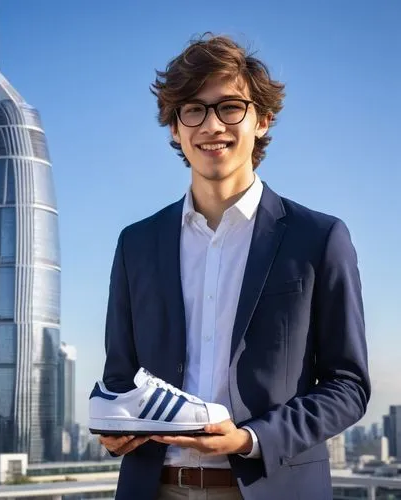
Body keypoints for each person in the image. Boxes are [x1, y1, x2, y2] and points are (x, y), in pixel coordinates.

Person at [99, 34, 370, 500]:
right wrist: (114, 426)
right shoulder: (136, 244)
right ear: (174, 128)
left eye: (230, 107)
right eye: (193, 109)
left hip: (274, 486)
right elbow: (121, 377)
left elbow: (348, 385)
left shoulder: (319, 238)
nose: (211, 125)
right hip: (154, 487)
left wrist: (251, 439)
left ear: (262, 120)